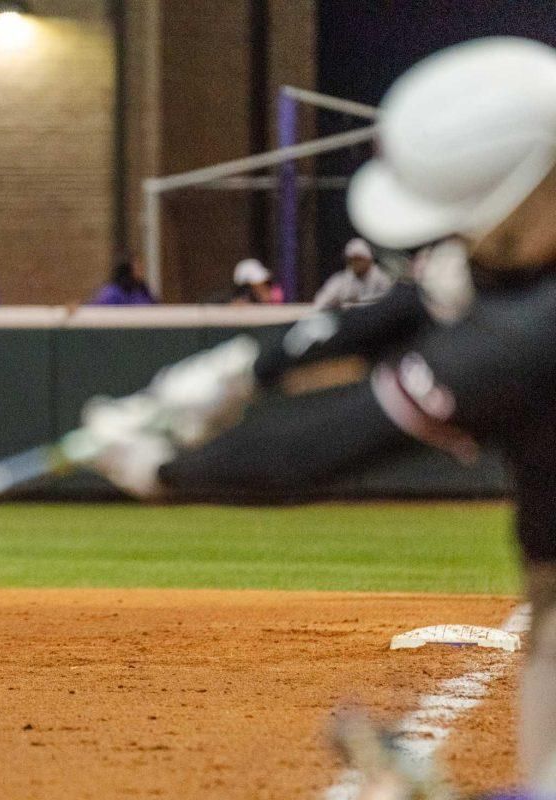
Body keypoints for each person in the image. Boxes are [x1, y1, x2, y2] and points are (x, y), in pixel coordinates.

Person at [86, 37, 556, 795]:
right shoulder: (530, 248)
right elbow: (415, 301)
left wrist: (164, 469)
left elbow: (324, 446)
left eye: (475, 220)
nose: (460, 241)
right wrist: (248, 368)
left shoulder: (530, 334)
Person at [313, 237, 394, 309]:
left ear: (369, 260)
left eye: (359, 259)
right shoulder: (341, 280)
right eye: (351, 260)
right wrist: (333, 303)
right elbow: (320, 302)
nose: (355, 263)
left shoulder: (382, 279)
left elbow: (389, 305)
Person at [88, 253, 156, 305]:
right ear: (127, 270)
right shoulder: (112, 293)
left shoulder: (141, 290)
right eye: (137, 268)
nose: (142, 271)